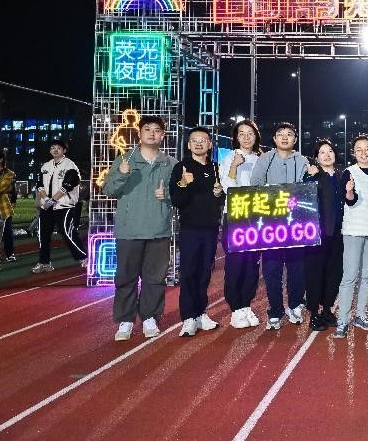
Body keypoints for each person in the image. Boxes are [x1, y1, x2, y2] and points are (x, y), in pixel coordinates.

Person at [103, 115, 178, 341]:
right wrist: (122, 174)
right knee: (126, 277)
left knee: (155, 278)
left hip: (159, 229)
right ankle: (125, 320)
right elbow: (109, 190)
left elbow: (181, 196)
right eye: (147, 129)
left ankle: (149, 317)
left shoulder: (171, 163)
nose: (152, 133)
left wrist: (168, 195)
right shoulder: (125, 160)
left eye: (157, 130)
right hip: (129, 230)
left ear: (162, 135)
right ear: (140, 133)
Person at [249, 122, 308, 330]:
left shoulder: (302, 161)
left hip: (295, 224)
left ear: (295, 139)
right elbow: (255, 185)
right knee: (271, 269)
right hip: (271, 224)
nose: (284, 137)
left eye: (289, 134)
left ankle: (295, 305)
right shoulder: (265, 159)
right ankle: (275, 310)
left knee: (296, 268)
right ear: (274, 139)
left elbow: (306, 189)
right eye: (280, 134)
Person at [170, 127, 225, 337]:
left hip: (210, 229)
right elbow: (177, 200)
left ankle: (201, 313)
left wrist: (219, 194)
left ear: (210, 144)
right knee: (189, 272)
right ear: (189, 144)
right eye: (195, 140)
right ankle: (188, 317)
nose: (199, 143)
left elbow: (220, 199)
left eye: (203, 140)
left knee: (204, 273)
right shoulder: (182, 167)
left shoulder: (215, 167)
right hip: (190, 229)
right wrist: (183, 184)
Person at [333, 135, 368, 338]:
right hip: (354, 230)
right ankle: (342, 320)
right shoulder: (349, 172)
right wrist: (349, 192)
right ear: (353, 153)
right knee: (349, 276)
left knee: (366, 276)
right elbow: (350, 200)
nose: (363, 152)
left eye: (367, 148)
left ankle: (360, 315)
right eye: (359, 149)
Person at [219, 119, 263, 328]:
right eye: (242, 133)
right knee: (235, 263)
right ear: (236, 137)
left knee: (252, 265)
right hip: (236, 217)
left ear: (256, 136)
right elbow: (228, 187)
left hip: (257, 218)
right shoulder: (230, 157)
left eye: (250, 133)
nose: (246, 137)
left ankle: (246, 305)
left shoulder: (261, 159)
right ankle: (235, 308)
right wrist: (235, 165)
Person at [303, 139, 346, 331]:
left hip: (338, 234)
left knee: (334, 273)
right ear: (316, 157)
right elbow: (303, 197)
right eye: (322, 152)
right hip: (316, 234)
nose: (327, 155)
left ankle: (327, 310)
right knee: (314, 274)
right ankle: (314, 313)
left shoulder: (341, 175)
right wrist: (309, 177)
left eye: (330, 151)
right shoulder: (313, 175)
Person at [33, 139, 87, 273]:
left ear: (64, 150)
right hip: (47, 205)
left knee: (67, 232)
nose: (55, 150)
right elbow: (39, 184)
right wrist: (46, 199)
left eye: (58, 148)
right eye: (53, 148)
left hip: (64, 205)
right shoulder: (46, 166)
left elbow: (68, 185)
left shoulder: (70, 165)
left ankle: (83, 257)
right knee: (42, 234)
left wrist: (53, 200)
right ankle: (44, 262)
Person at [0, 149, 17, 263]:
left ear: (1, 159)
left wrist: (14, 201)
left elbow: (1, 188)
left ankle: (10, 253)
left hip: (3, 206)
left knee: (7, 231)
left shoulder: (9, 173)